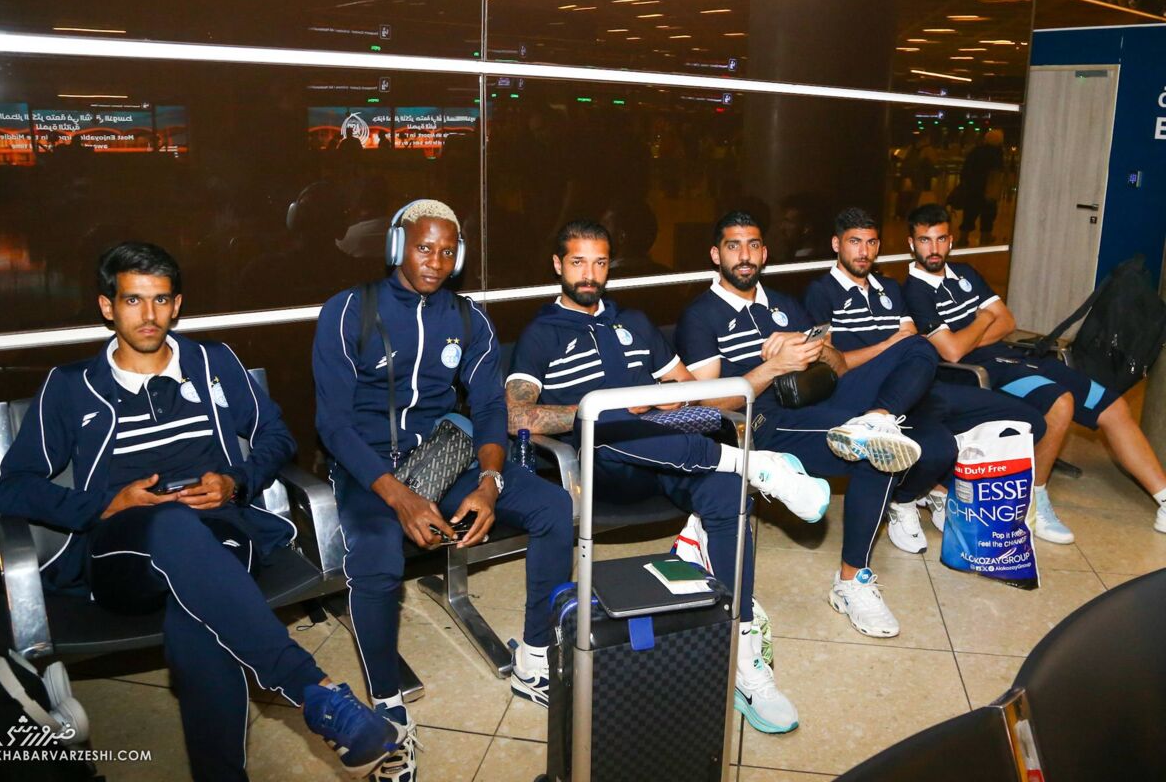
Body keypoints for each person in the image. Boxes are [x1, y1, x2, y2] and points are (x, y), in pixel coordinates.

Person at [0, 242, 403, 781]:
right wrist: (106, 503)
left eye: (161, 300)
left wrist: (235, 481)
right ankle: (313, 689)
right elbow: (14, 487)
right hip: (123, 548)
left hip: (221, 527)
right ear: (107, 307)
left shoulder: (213, 363)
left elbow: (276, 436)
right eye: (133, 300)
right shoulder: (73, 386)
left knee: (199, 619)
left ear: (177, 304)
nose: (149, 315)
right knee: (172, 526)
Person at [506, 219, 832, 735]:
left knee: (726, 493)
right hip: (603, 467)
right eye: (578, 262)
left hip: (667, 455)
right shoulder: (540, 333)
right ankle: (758, 466)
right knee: (614, 420)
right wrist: (599, 409)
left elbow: (690, 392)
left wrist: (671, 398)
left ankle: (743, 655)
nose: (589, 274)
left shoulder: (634, 322)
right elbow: (517, 416)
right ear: (557, 265)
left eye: (599, 262)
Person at [313, 200, 574, 779]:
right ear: (396, 246)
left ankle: (534, 659)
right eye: (423, 247)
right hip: (365, 466)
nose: (435, 261)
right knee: (377, 555)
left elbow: (489, 408)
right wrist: (399, 496)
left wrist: (490, 481)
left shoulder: (468, 318)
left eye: (447, 251)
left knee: (553, 506)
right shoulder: (348, 311)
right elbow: (332, 424)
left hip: (443, 456)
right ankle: (387, 710)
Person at [675, 211, 956, 639]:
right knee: (878, 453)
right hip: (765, 417)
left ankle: (877, 419)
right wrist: (773, 365)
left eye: (753, 245)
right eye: (734, 246)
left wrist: (811, 347)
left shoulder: (784, 304)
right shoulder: (700, 315)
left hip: (821, 395)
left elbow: (837, 366)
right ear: (716, 255)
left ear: (765, 253)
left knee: (918, 347)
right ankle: (851, 582)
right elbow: (710, 402)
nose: (745, 255)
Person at [902, 203, 1166, 540]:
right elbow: (953, 352)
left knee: (1112, 406)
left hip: (1014, 358)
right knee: (1060, 403)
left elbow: (1007, 322)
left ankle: (1164, 500)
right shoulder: (914, 292)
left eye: (940, 239)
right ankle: (1034, 503)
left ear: (951, 240)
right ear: (912, 244)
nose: (933, 249)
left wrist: (970, 333)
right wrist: (984, 319)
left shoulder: (966, 273)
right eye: (925, 240)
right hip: (982, 371)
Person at [804, 207, 1048, 553]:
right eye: (854, 242)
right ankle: (903, 499)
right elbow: (833, 363)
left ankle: (938, 486)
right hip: (863, 396)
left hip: (914, 387)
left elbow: (910, 342)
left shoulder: (890, 287)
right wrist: (890, 346)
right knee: (939, 446)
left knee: (1028, 419)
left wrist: (901, 347)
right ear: (836, 245)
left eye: (871, 243)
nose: (863, 251)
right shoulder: (821, 292)